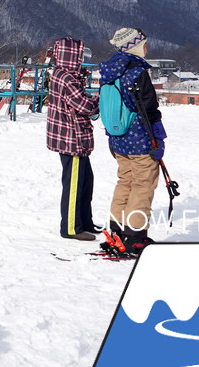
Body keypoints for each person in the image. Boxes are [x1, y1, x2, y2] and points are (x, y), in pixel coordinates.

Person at [100, 27, 166, 257]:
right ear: (135, 46)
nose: (147, 48)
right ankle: (135, 237)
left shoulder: (110, 71)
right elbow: (148, 109)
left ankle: (117, 232)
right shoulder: (136, 71)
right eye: (144, 44)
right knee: (143, 184)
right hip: (140, 139)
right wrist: (157, 138)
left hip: (118, 139)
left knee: (125, 182)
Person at [45, 37, 101, 241]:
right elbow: (84, 106)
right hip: (72, 139)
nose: (83, 59)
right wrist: (98, 100)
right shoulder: (67, 78)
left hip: (75, 137)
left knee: (86, 181)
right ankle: (70, 227)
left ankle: (85, 221)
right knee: (74, 184)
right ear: (71, 56)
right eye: (80, 55)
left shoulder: (68, 76)